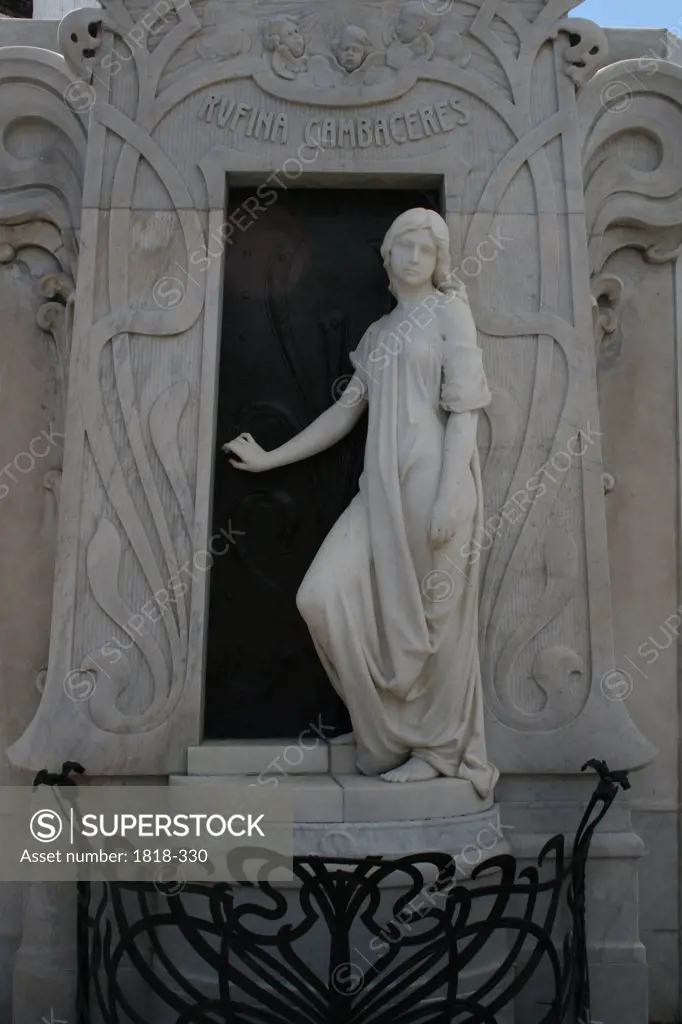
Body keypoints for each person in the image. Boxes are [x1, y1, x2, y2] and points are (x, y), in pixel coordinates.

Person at [224, 209, 498, 795]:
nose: (417, 256)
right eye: (407, 245)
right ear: (389, 257)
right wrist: (272, 459)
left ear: (439, 259)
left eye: (428, 248)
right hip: (380, 490)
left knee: (434, 624)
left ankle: (436, 749)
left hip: (433, 484)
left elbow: (466, 408)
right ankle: (386, 729)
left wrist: (453, 490)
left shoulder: (452, 313)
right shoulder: (378, 335)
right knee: (320, 596)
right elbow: (343, 415)